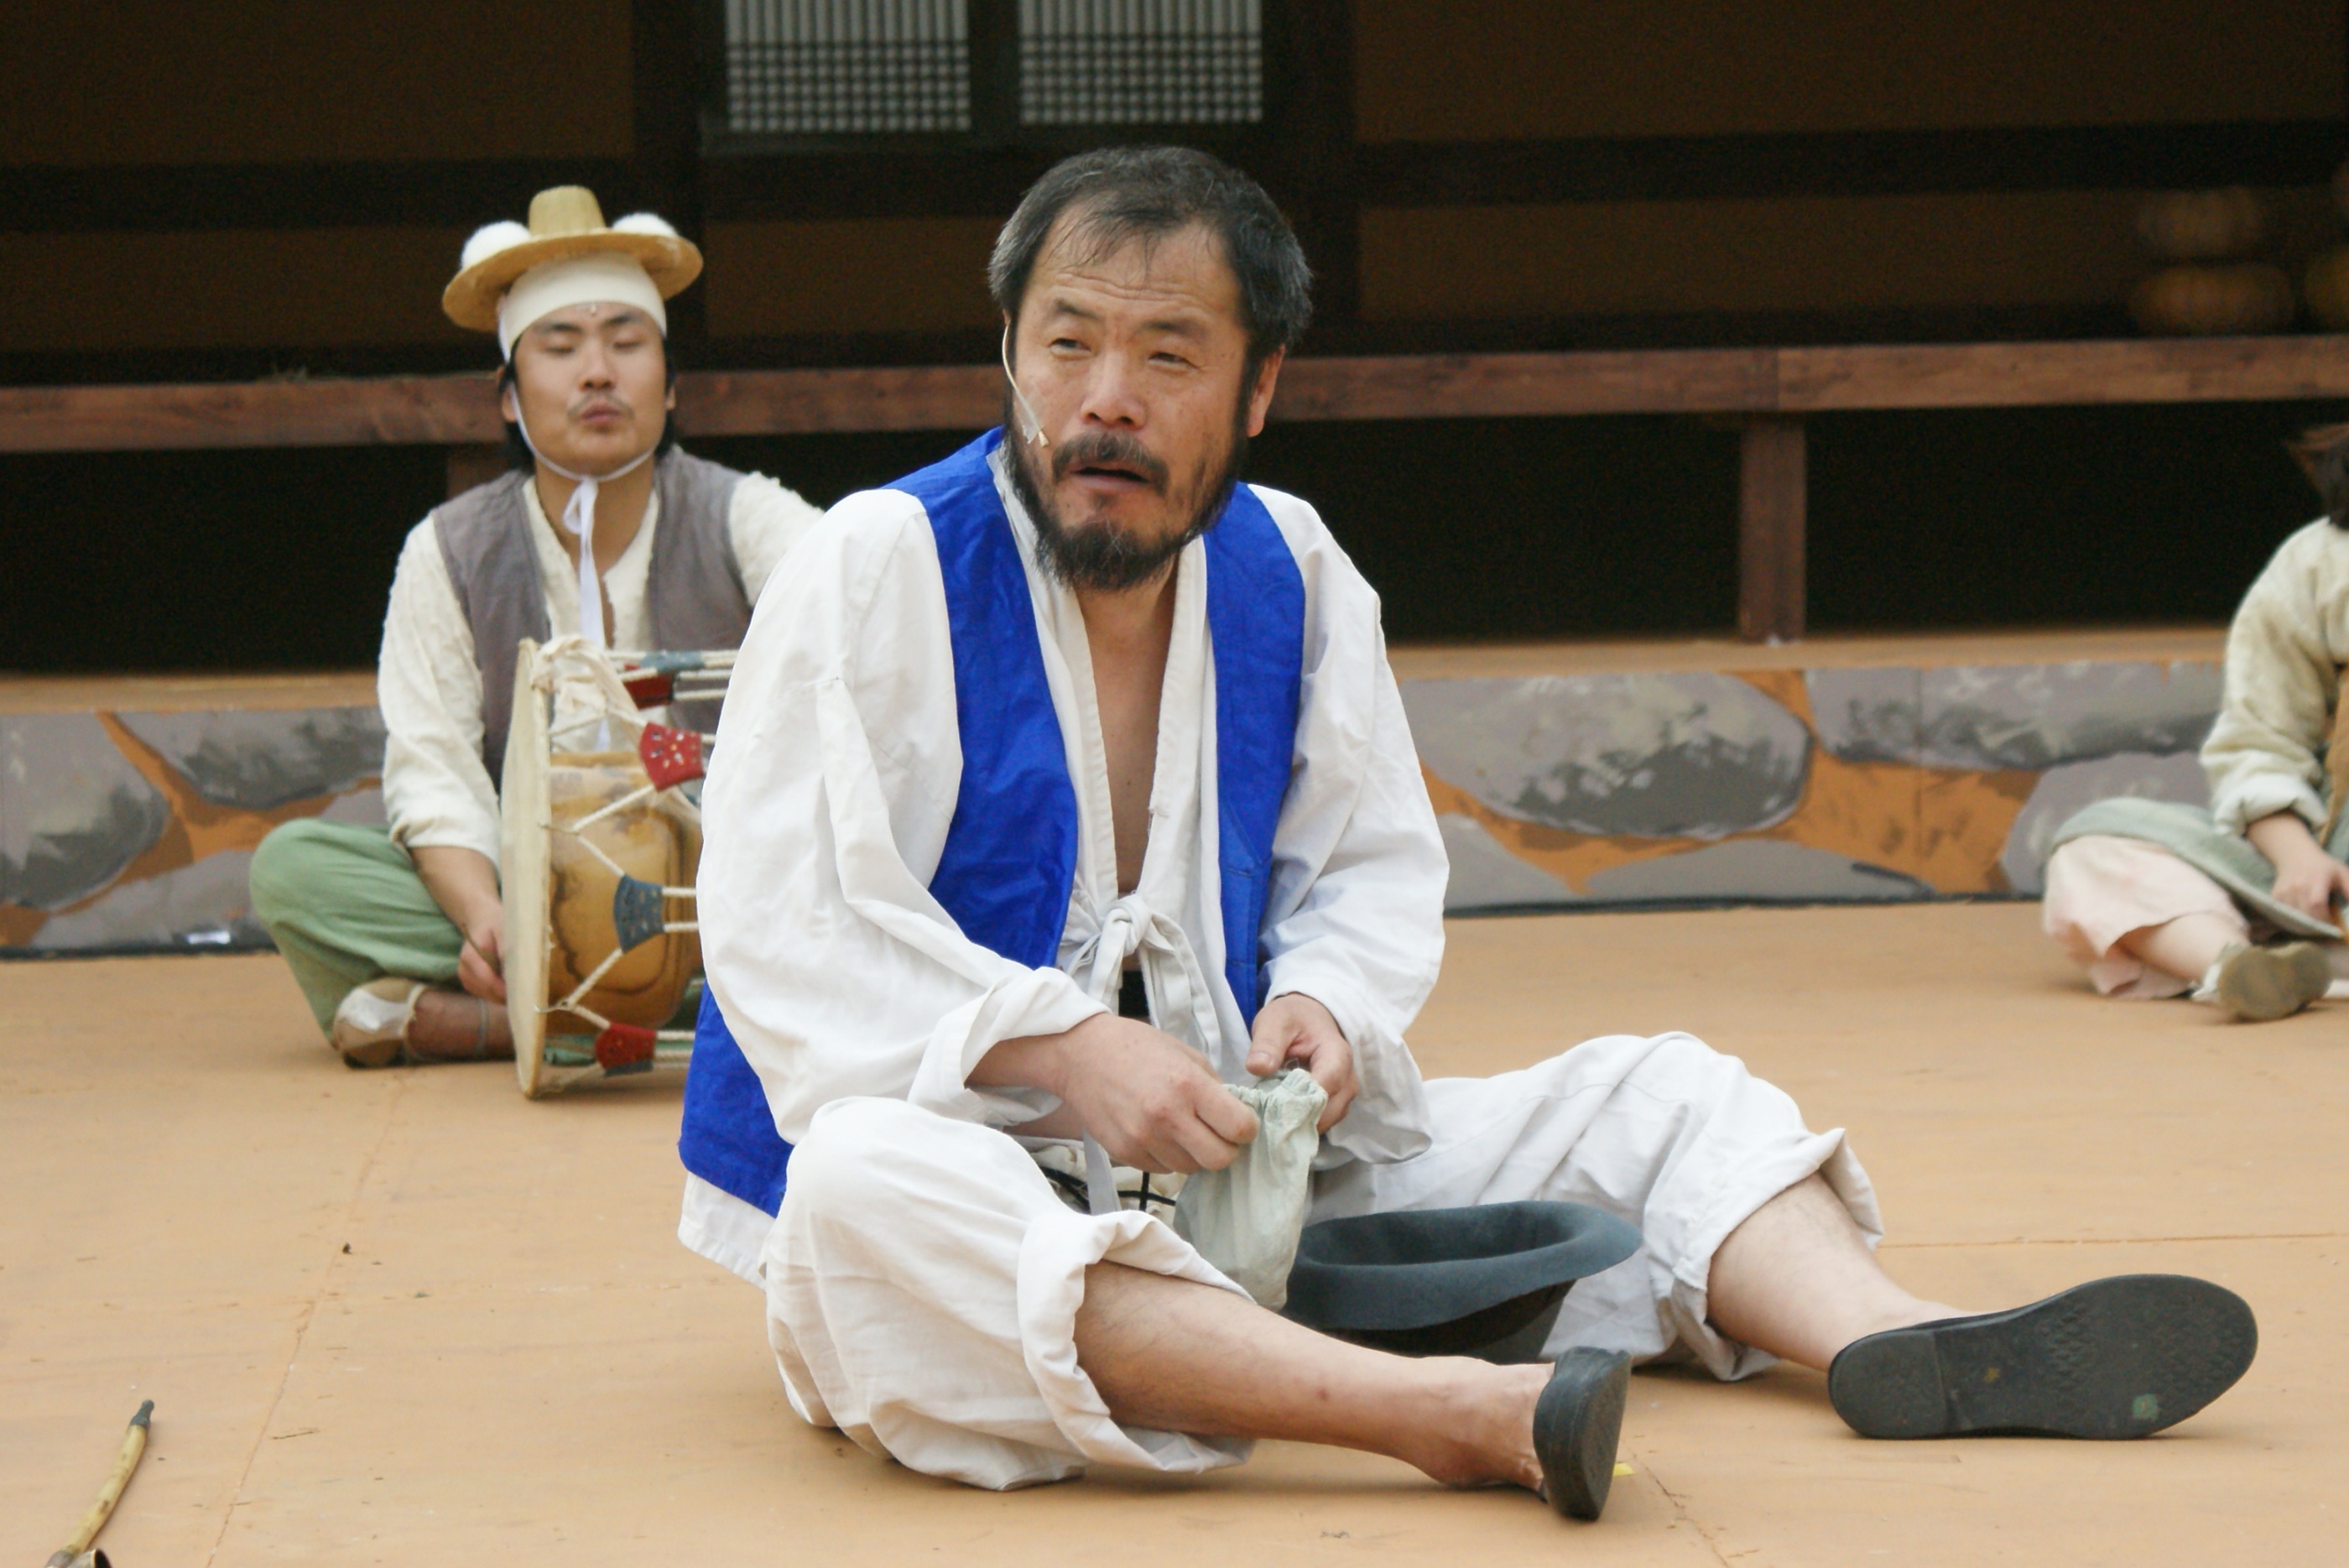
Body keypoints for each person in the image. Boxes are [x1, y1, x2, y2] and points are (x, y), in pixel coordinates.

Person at [677, 147, 2256, 1518]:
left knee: (1661, 1096)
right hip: (983, 1170)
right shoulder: (877, 563)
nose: (1106, 399)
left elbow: (1363, 868)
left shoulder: (1293, 568)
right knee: (861, 1185)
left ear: (1259, 388)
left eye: (1167, 354)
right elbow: (787, 925)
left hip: (1234, 1166)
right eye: (1066, 343)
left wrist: (1325, 1004)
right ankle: (1441, 1411)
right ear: (1009, 355)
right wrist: (1061, 1048)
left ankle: (1888, 1339)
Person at [247, 187, 821, 1065]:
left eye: (626, 343)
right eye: (559, 347)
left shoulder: (747, 516)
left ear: (670, 386)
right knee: (295, 869)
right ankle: (674, 1018)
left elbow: (865, 647)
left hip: (719, 896)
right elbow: (434, 766)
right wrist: (490, 918)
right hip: (526, 892)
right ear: (509, 399)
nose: (597, 372)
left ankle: (494, 1023)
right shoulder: (448, 549)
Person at [2044, 216, 2349, 1022]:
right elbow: (2257, 739)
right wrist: (2297, 858)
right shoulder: (2316, 563)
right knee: (2095, 844)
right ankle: (2241, 965)